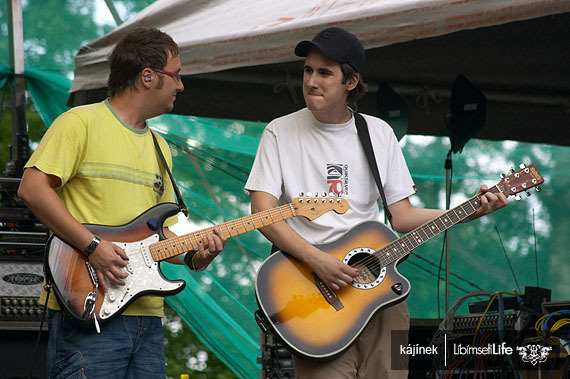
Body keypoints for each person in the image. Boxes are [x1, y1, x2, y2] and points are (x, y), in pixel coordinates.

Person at [244, 26, 508, 378]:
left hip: (383, 296)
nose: (311, 81)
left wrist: (467, 213)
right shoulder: (279, 131)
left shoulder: (378, 132)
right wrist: (318, 261)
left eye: (324, 73)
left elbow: (402, 217)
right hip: (311, 294)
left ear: (350, 82)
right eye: (308, 70)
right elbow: (262, 213)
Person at [18, 27, 226, 378]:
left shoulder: (161, 149)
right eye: (176, 75)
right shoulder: (79, 123)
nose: (181, 85)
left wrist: (194, 255)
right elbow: (32, 189)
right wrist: (93, 246)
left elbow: (160, 239)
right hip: (87, 310)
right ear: (148, 76)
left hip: (146, 316)